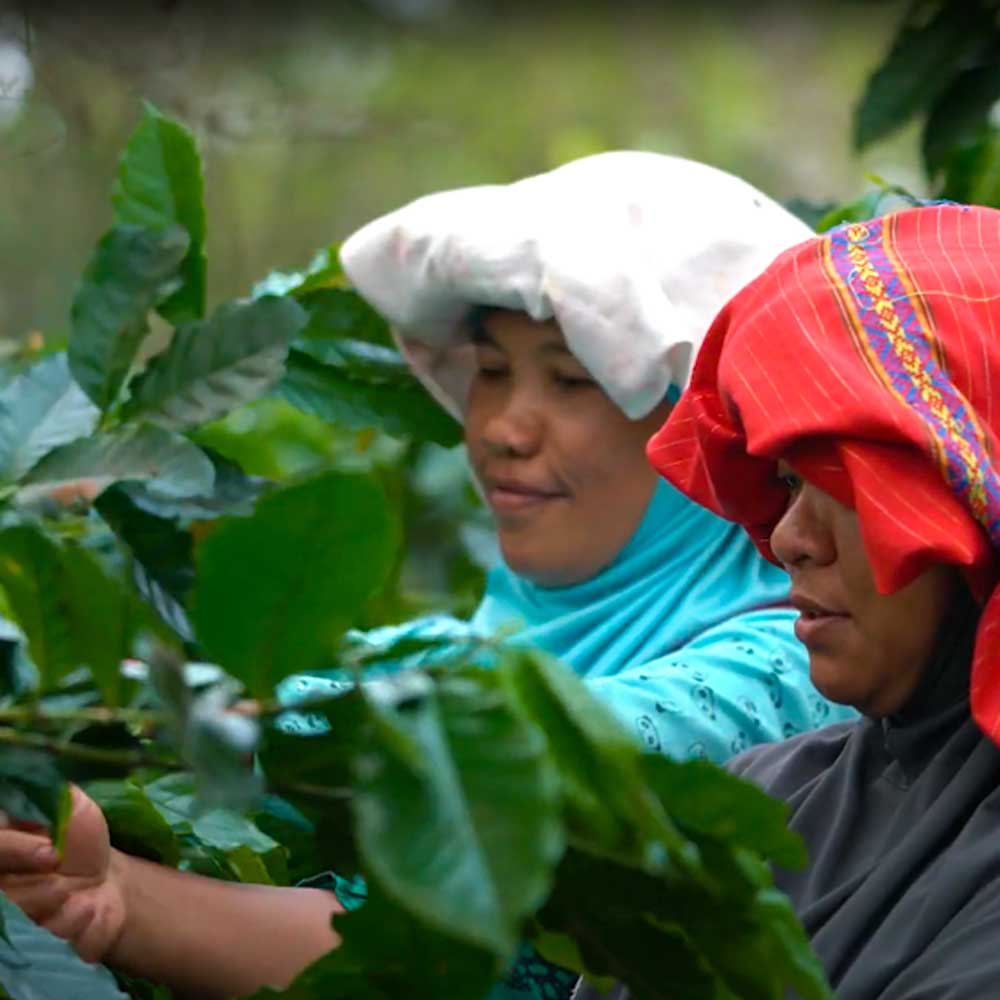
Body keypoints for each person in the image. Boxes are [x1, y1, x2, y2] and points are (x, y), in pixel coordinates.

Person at [0, 152, 853, 1000]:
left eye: (570, 380)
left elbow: (495, 770)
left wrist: (123, 871)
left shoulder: (798, 663)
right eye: (489, 371)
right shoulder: (474, 642)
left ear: (709, 433)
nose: (504, 429)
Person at [576, 202, 1000, 1000]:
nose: (787, 540)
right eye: (787, 483)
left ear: (974, 497)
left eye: (841, 483)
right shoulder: (762, 806)